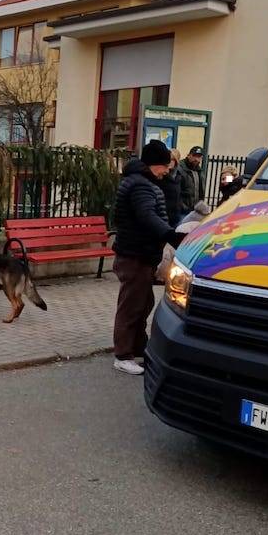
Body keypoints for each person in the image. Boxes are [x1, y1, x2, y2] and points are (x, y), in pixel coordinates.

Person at [112, 139, 186, 375]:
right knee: (132, 306)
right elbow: (147, 216)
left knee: (143, 303)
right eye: (165, 166)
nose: (168, 170)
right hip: (135, 254)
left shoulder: (142, 181)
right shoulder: (141, 186)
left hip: (139, 253)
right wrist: (172, 236)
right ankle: (123, 355)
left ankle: (137, 349)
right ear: (154, 164)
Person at [177, 145, 206, 216]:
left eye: (199, 157)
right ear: (188, 155)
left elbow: (200, 192)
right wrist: (184, 208)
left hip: (195, 211)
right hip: (182, 212)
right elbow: (176, 192)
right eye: (194, 156)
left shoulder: (200, 171)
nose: (196, 159)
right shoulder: (179, 169)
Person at [158, 148, 182, 227]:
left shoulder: (178, 176)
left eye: (172, 159)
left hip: (176, 215)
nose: (170, 162)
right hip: (164, 215)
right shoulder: (162, 175)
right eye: (169, 159)